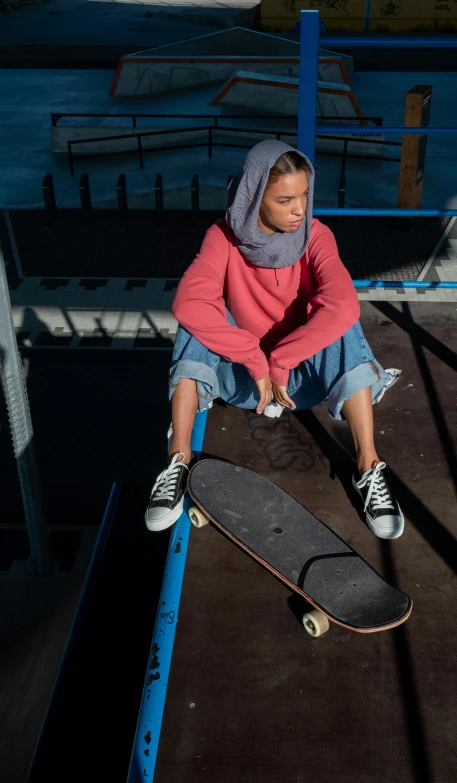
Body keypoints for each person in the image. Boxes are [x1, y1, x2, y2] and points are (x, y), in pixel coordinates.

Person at [145, 140, 404, 539]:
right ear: (253, 199)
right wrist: (253, 357)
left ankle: (368, 469)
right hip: (245, 383)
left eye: (303, 196)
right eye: (285, 200)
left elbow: (343, 305)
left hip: (301, 382)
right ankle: (177, 461)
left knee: (342, 322)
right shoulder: (223, 237)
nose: (299, 209)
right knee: (200, 317)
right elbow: (188, 301)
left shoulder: (316, 235)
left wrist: (281, 360)